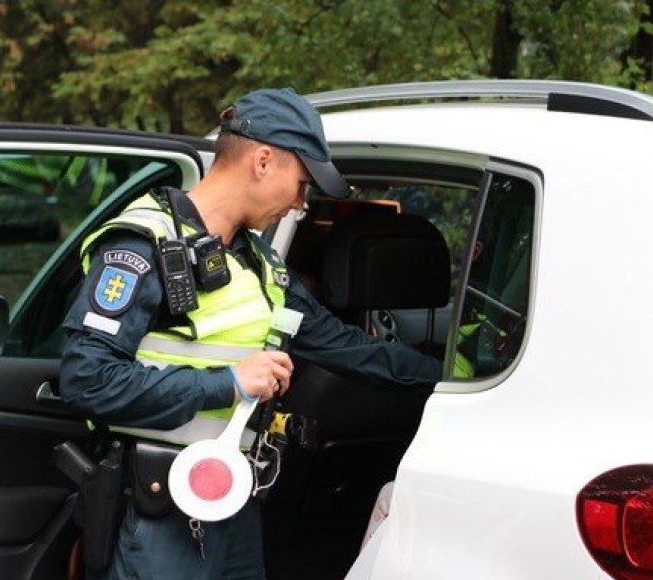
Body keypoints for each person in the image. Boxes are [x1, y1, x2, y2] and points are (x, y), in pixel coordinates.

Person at [59, 87, 442, 580]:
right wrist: (230, 382)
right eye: (302, 182)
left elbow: (352, 349)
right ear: (263, 161)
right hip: (158, 513)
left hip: (232, 502)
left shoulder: (260, 266)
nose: (302, 203)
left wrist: (464, 380)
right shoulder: (141, 247)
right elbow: (87, 379)